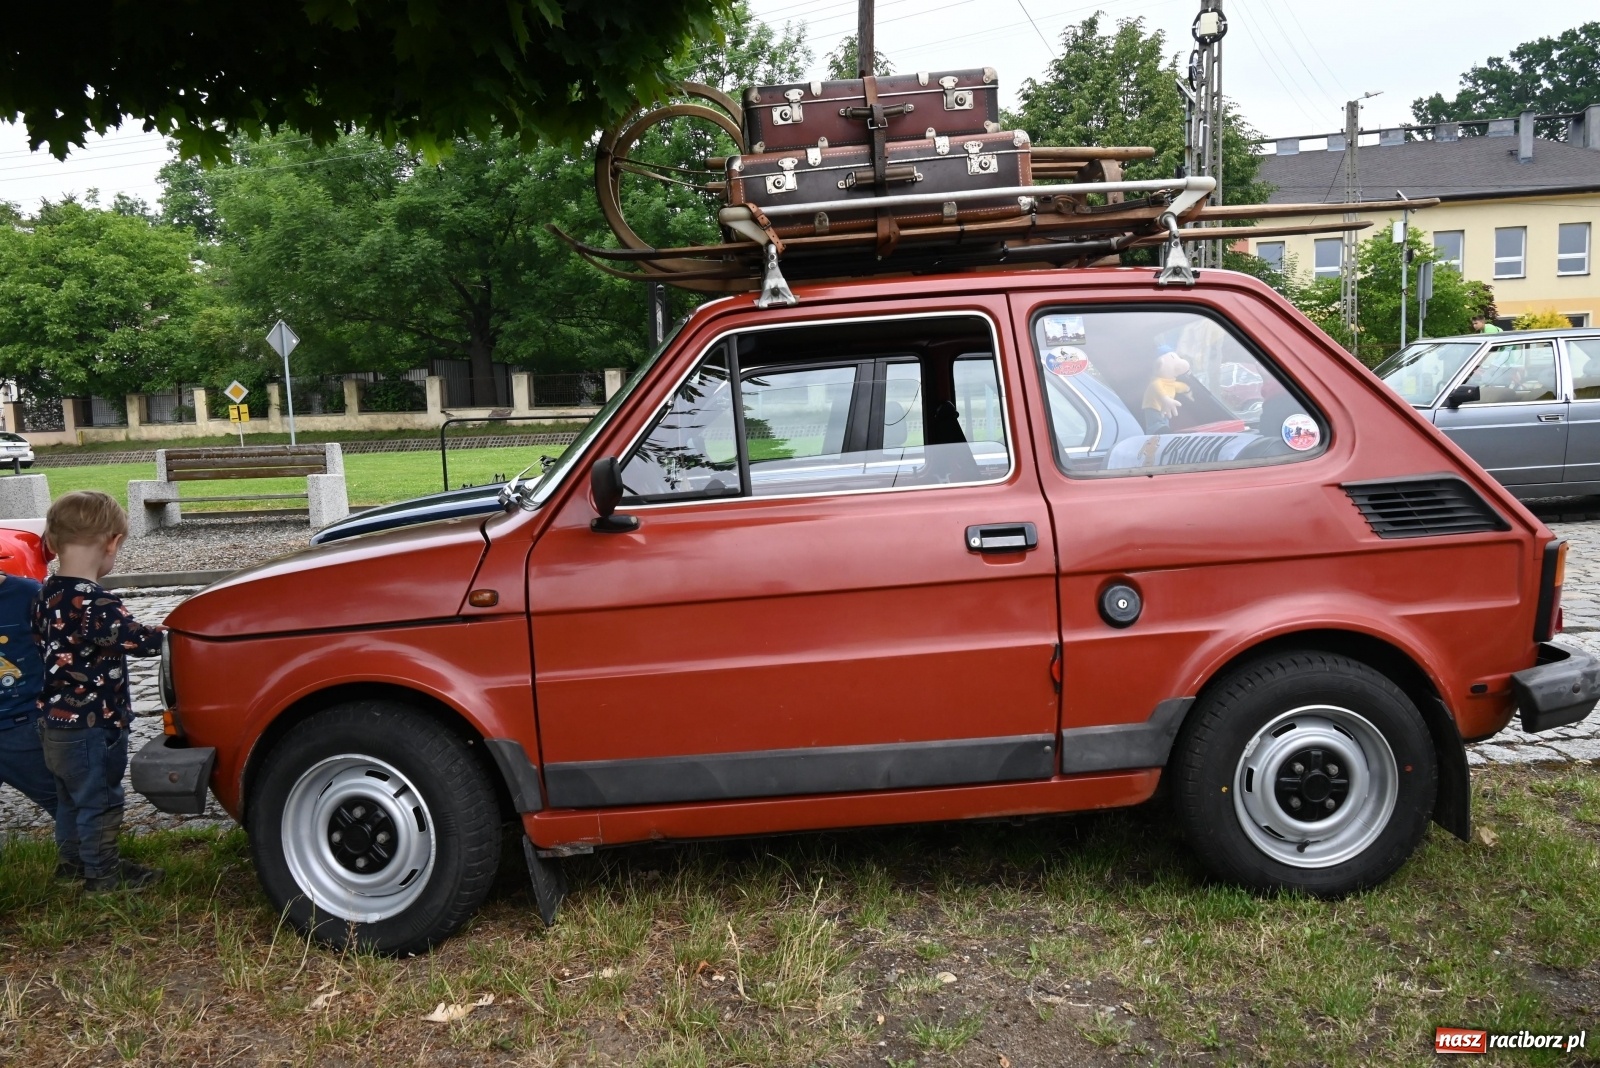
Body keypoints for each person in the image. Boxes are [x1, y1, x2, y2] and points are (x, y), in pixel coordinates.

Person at [34, 491, 166, 892]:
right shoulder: (96, 601)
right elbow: (136, 640)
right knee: (100, 801)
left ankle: (73, 867)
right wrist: (168, 635)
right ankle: (103, 874)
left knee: (70, 801)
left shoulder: (46, 593)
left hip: (54, 724)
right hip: (93, 724)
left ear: (52, 542)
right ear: (113, 542)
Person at [0, 566, 67, 870]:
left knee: (65, 801)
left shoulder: (30, 594)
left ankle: (85, 865)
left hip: (24, 727)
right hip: (22, 726)